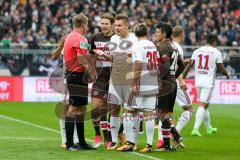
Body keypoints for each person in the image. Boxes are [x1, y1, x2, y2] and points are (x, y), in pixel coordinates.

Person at [101, 14, 138, 150]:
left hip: (129, 81)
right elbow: (114, 58)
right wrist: (103, 55)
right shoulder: (114, 38)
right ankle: (115, 141)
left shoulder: (134, 39)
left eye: (119, 25)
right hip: (115, 81)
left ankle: (131, 142)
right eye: (115, 25)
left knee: (131, 111)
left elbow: (138, 60)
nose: (116, 28)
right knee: (114, 110)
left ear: (127, 26)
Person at [183, 34, 229, 136]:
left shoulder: (197, 51)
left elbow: (189, 65)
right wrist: (226, 74)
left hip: (198, 81)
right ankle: (195, 129)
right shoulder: (216, 52)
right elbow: (221, 69)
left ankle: (208, 128)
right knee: (202, 105)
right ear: (214, 42)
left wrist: (183, 77)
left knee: (205, 106)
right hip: (208, 83)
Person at [64, 13, 96, 151]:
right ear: (83, 24)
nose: (87, 27)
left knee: (81, 108)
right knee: (74, 109)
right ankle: (70, 144)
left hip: (73, 75)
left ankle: (81, 142)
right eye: (87, 24)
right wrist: (91, 72)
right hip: (77, 75)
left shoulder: (69, 37)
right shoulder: (80, 38)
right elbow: (82, 60)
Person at [154, 22, 185, 151]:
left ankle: (170, 141)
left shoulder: (164, 48)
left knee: (161, 114)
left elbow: (165, 67)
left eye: (157, 32)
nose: (155, 34)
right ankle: (172, 139)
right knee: (164, 114)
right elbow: (182, 65)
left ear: (164, 34)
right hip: (172, 83)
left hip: (165, 84)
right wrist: (174, 76)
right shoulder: (174, 47)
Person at [130, 23, 159, 153]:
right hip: (152, 80)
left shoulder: (137, 45)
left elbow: (138, 64)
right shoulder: (152, 45)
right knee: (149, 115)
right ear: (146, 33)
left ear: (135, 33)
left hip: (141, 81)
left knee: (132, 112)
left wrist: (133, 83)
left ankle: (132, 142)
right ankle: (149, 144)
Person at [89, 13, 114, 148]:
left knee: (108, 109)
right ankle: (97, 134)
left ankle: (108, 138)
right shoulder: (94, 38)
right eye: (102, 23)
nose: (103, 26)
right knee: (95, 107)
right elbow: (89, 56)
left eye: (106, 23)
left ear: (112, 24)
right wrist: (91, 71)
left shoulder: (116, 39)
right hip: (99, 78)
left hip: (113, 77)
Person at [172, 26, 193, 135]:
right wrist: (181, 81)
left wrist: (184, 62)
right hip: (175, 81)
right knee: (189, 109)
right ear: (182, 34)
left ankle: (163, 139)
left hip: (166, 81)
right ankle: (175, 134)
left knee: (165, 111)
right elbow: (175, 66)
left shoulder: (169, 45)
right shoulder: (178, 47)